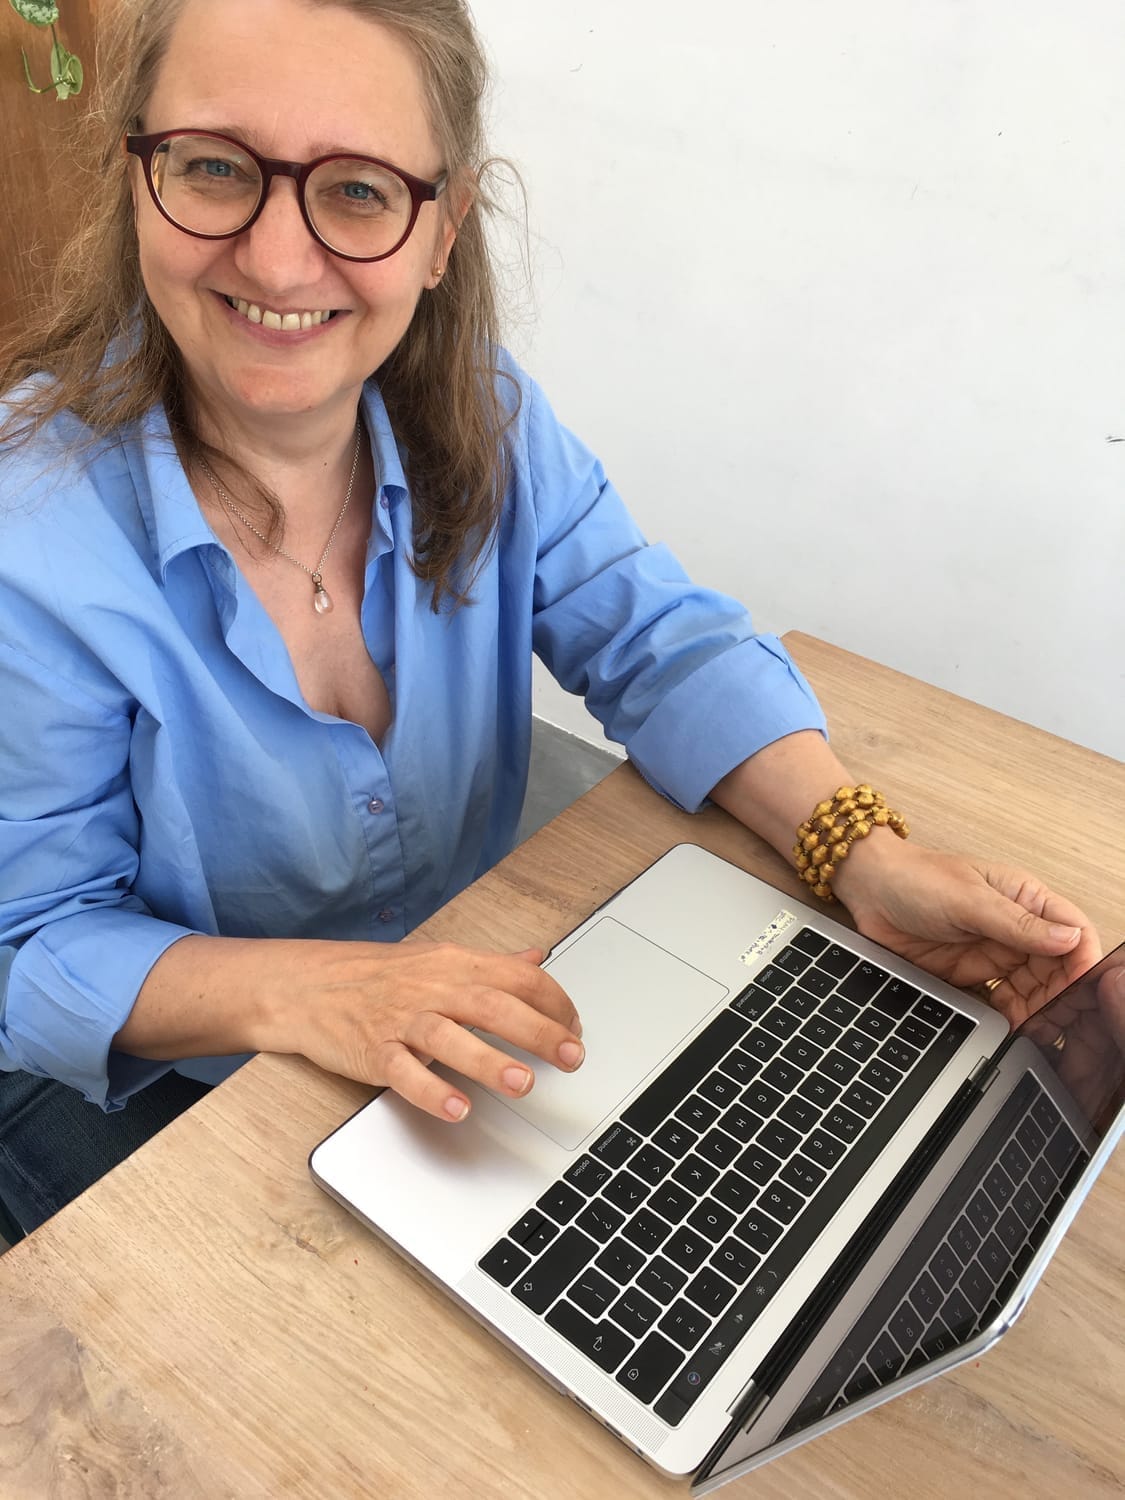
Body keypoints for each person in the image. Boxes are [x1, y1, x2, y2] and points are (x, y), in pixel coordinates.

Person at [0, 0, 1102, 1240]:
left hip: (460, 1046)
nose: (277, 258)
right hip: (174, 1096)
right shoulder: (30, 535)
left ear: (442, 228)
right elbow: (36, 947)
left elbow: (659, 642)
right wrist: (321, 995)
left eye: (357, 190)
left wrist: (865, 855)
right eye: (215, 167)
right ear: (136, 175)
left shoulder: (486, 412)